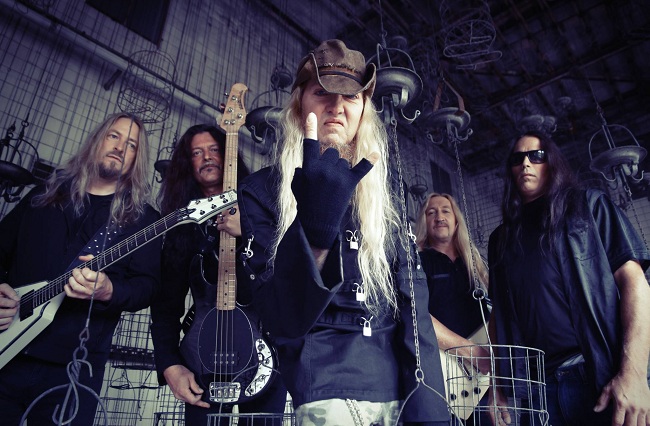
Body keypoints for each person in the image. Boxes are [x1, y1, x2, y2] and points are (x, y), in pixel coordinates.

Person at [237, 39, 450, 425]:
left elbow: (413, 307)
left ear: (364, 110)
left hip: (399, 388)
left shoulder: (385, 195)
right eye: (322, 93)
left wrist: (430, 408)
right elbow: (279, 316)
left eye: (350, 97)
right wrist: (315, 232)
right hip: (323, 388)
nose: (337, 106)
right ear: (299, 104)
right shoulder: (260, 192)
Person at [0, 112, 161, 425]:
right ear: (97, 140)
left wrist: (110, 291)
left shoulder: (143, 220)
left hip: (74, 367)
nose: (120, 148)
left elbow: (148, 286)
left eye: (131, 145)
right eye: (114, 136)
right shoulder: (42, 195)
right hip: (8, 348)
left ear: (136, 160)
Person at [487, 130, 650, 425]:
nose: (526, 163)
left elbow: (635, 283)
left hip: (600, 376)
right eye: (517, 159)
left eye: (536, 156)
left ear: (552, 163)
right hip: (538, 388)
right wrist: (499, 384)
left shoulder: (590, 206)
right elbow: (499, 316)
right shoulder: (500, 240)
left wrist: (634, 374)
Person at [150, 124, 287, 425]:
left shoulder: (260, 207)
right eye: (197, 153)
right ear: (188, 164)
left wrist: (249, 230)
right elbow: (165, 304)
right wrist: (169, 364)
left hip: (266, 355)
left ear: (228, 156)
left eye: (214, 150)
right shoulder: (181, 227)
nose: (207, 157)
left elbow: (291, 265)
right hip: (203, 361)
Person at [415, 193, 491, 423]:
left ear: (456, 220)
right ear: (424, 223)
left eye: (446, 211)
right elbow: (416, 315)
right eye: (431, 212)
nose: (439, 217)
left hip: (483, 376)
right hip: (444, 370)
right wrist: (470, 351)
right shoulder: (418, 261)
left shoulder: (474, 262)